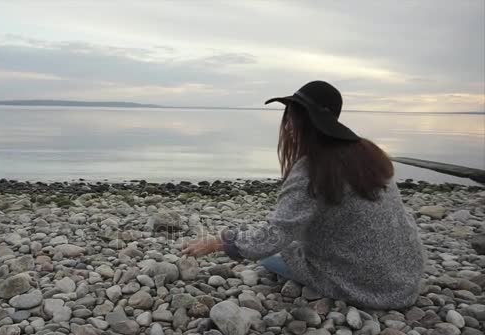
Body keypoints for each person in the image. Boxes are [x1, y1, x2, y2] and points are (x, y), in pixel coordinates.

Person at [181, 80, 425, 309]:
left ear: (302, 121)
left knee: (272, 258)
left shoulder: (314, 168)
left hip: (369, 288)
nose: (287, 125)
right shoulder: (369, 153)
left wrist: (220, 243)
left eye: (290, 117)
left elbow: (272, 239)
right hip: (406, 279)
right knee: (297, 239)